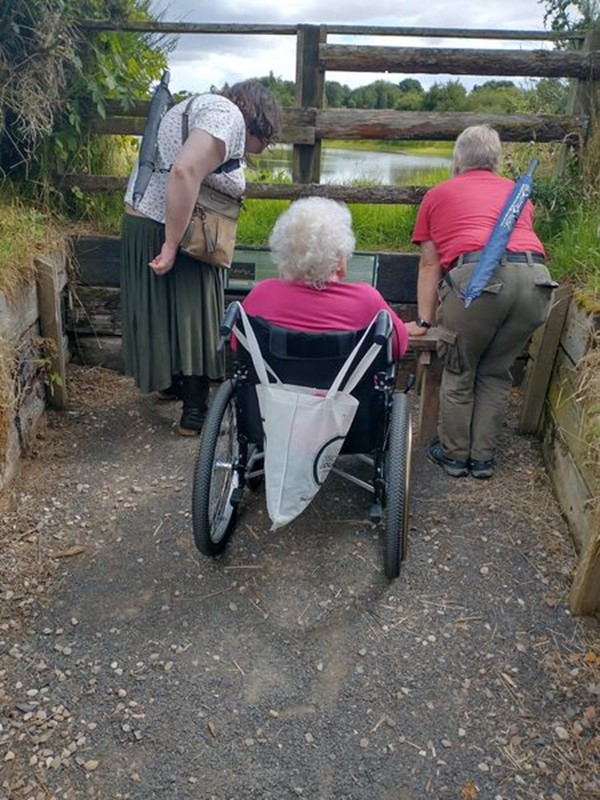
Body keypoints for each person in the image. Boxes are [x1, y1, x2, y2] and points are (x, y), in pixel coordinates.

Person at [121, 80, 283, 435]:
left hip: (141, 214)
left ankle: (170, 382)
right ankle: (195, 412)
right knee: (194, 311)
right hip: (176, 225)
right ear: (259, 122)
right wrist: (171, 243)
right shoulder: (228, 117)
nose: (258, 150)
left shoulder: (199, 105)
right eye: (265, 141)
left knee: (159, 309)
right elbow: (184, 170)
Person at [408, 124, 557, 479]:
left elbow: (431, 263)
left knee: (460, 369)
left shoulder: (438, 194)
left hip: (480, 282)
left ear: (458, 158)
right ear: (496, 159)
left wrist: (426, 321)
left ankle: (455, 456)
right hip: (536, 282)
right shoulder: (519, 195)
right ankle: (483, 459)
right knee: (495, 371)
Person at [240, 197, 409, 360]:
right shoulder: (366, 300)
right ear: (338, 261)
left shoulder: (262, 294)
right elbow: (397, 347)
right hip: (344, 389)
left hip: (273, 388)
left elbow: (238, 344)